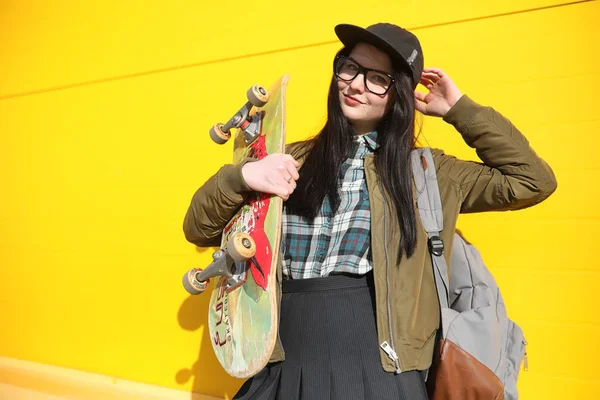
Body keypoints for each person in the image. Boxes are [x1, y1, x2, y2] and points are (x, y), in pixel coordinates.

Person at [183, 23, 557, 400]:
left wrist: (459, 110)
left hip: (378, 366)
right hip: (283, 357)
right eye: (350, 68)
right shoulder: (289, 160)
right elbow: (198, 227)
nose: (357, 84)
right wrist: (244, 175)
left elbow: (532, 180)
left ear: (399, 97)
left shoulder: (428, 173)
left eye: (378, 78)